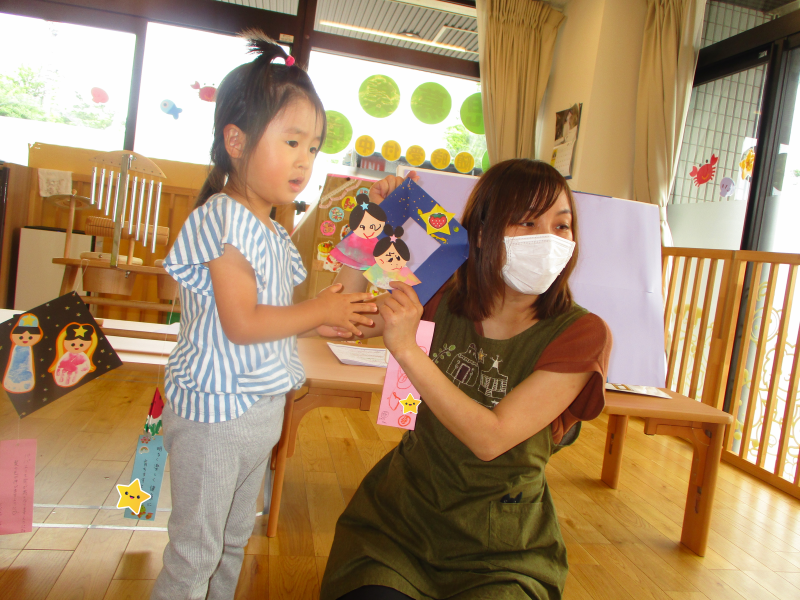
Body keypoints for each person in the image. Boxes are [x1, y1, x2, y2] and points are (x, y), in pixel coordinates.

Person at [320, 159, 613, 600]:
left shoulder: (581, 334)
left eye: (562, 225)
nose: (549, 239)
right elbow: (341, 320)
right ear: (481, 233)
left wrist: (407, 349)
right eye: (527, 221)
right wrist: (371, 223)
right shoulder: (442, 293)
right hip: (401, 524)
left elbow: (491, 439)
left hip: (503, 549)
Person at [151, 32, 377, 600]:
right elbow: (244, 323)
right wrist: (318, 309)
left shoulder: (271, 231)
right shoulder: (222, 220)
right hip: (215, 415)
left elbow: (296, 312)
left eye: (314, 148)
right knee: (195, 552)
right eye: (292, 141)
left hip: (259, 411)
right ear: (236, 139)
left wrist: (370, 226)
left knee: (231, 543)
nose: (305, 160)